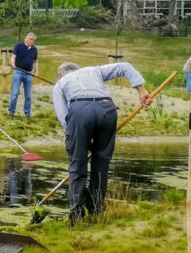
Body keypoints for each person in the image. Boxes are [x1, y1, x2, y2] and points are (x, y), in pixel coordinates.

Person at [51, 62, 152, 223]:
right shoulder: (93, 69)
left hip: (80, 112)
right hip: (107, 109)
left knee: (77, 165)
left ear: (61, 74)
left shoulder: (60, 84)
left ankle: (76, 215)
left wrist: (79, 143)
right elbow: (125, 66)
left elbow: (64, 118)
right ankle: (96, 211)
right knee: (101, 164)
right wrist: (141, 91)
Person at [9, 32, 39, 118]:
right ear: (26, 38)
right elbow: (13, 56)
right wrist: (13, 64)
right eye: (30, 39)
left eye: (33, 40)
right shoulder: (18, 46)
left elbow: (35, 61)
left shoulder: (34, 49)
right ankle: (11, 112)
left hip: (29, 73)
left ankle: (27, 113)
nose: (32, 41)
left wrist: (36, 71)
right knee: (15, 93)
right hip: (18, 72)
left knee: (28, 95)